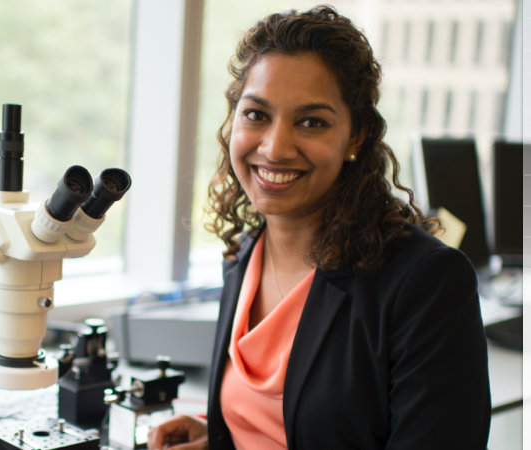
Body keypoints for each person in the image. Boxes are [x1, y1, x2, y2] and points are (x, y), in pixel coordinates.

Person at [147, 6, 491, 450]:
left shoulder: (426, 282)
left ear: (356, 136)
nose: (274, 147)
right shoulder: (244, 255)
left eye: (312, 122)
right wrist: (221, 437)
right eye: (256, 114)